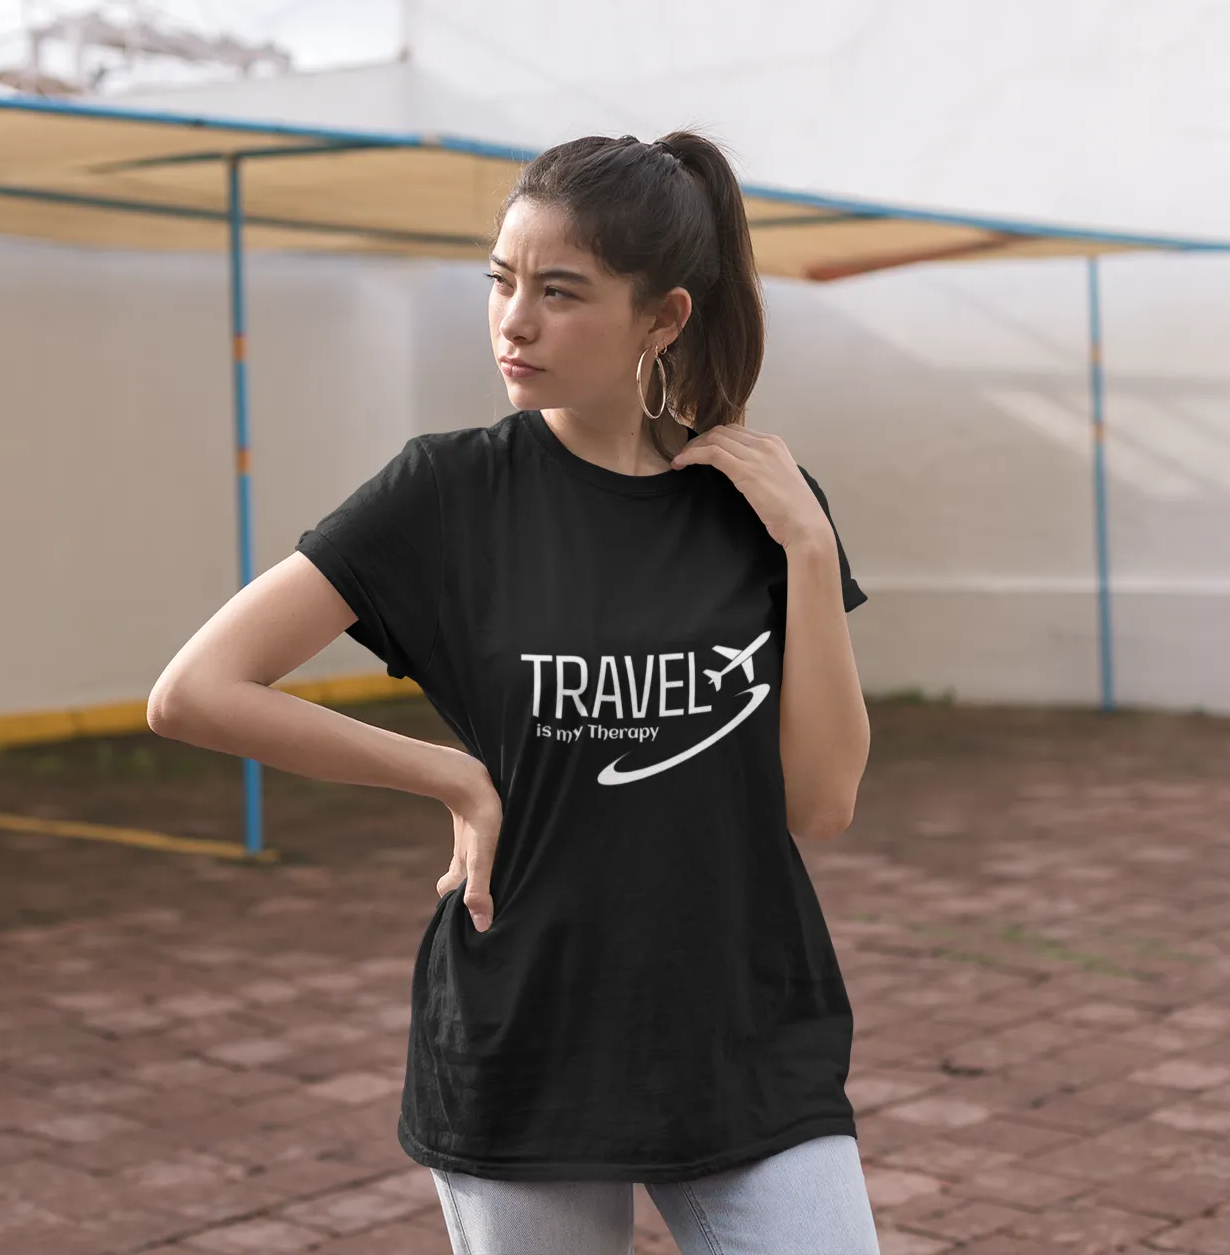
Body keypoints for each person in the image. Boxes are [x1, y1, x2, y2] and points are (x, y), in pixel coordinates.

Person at [147, 128, 880, 1255]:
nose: (513, 320)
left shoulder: (761, 508)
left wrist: (809, 549)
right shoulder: (446, 494)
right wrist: (444, 770)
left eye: (559, 291)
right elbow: (196, 689)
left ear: (662, 317)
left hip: (744, 1022)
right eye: (499, 281)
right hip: (527, 1032)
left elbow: (820, 802)